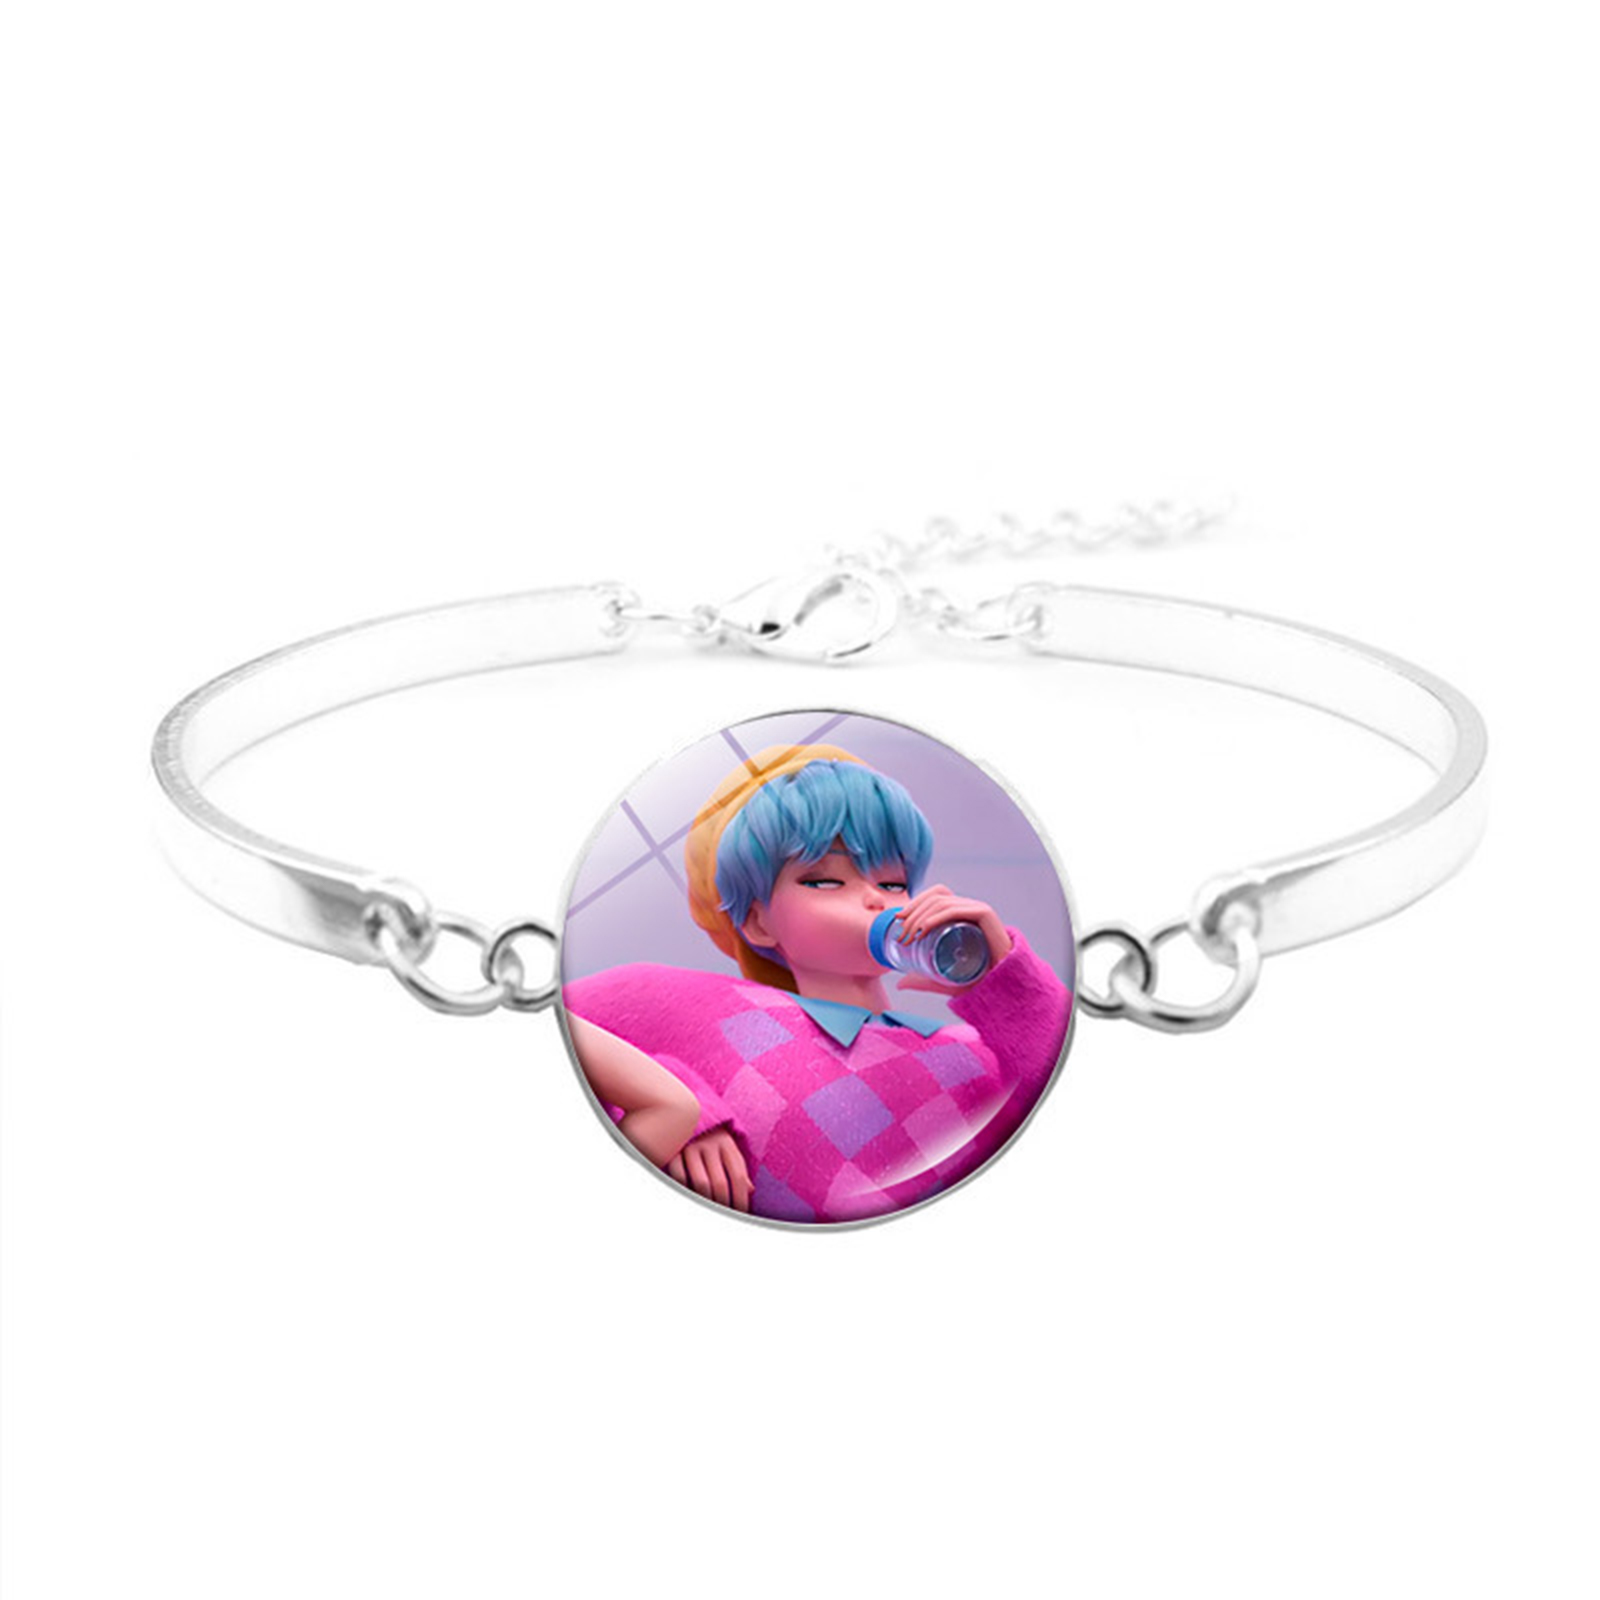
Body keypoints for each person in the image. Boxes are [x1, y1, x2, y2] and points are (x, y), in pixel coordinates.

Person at [562, 742, 1072, 1223]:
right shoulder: (710, 1011)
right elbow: (551, 1027)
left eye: (893, 883)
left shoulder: (974, 1055)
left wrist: (1011, 985)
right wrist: (673, 1099)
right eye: (825, 881)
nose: (875, 898)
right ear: (757, 922)